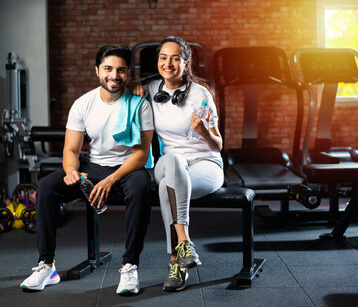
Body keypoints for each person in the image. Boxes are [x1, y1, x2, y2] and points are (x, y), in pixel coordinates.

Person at [20, 45, 154, 295]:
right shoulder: (83, 104)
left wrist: (110, 180)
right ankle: (47, 266)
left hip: (128, 168)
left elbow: (141, 155)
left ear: (128, 73)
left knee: (140, 186)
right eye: (108, 69)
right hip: (93, 167)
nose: (114, 75)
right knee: (48, 186)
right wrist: (71, 171)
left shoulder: (140, 105)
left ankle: (130, 266)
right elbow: (71, 150)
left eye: (121, 70)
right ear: (97, 71)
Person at [132, 36, 224, 292]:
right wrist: (132, 85)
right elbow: (119, 89)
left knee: (166, 190)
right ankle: (185, 242)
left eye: (175, 58)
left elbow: (218, 145)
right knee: (172, 160)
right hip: (170, 163)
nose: (168, 63)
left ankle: (176, 262)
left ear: (186, 63)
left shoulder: (201, 94)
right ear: (158, 61)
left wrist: (204, 131)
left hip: (206, 164)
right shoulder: (150, 89)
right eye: (163, 57)